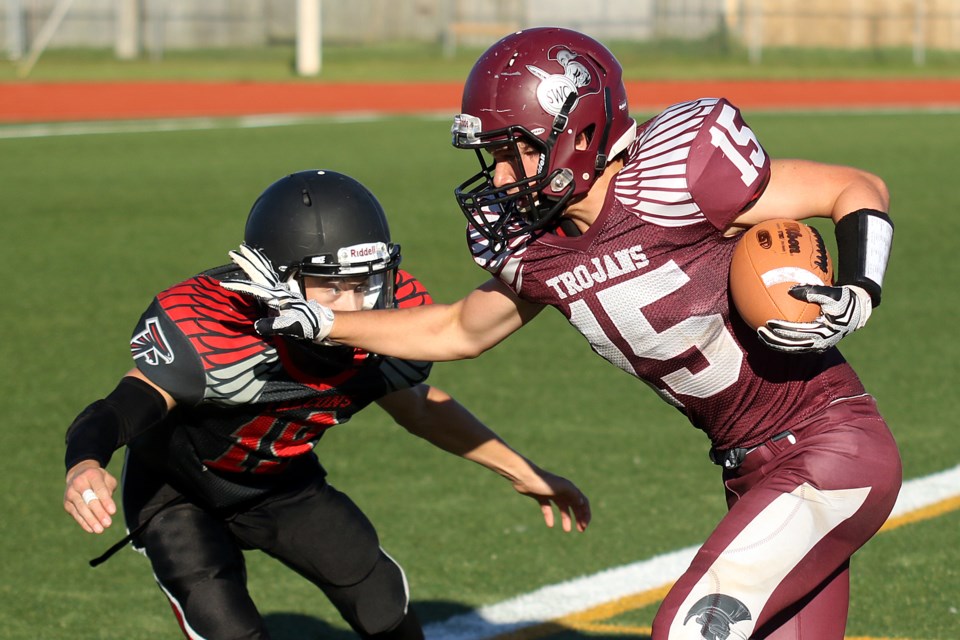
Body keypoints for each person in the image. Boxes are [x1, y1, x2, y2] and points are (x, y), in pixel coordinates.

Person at [224, 29, 902, 640]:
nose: (500, 175)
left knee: (692, 629)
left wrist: (860, 289)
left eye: (516, 151)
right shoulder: (542, 249)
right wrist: (325, 321)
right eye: (493, 155)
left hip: (829, 447)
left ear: (577, 133)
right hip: (753, 470)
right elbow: (459, 328)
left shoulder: (677, 178)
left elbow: (856, 188)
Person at [62, 169, 591, 640]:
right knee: (228, 629)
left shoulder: (385, 320)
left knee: (381, 599)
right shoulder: (214, 329)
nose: (357, 305)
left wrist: (520, 471)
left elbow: (421, 407)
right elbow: (122, 406)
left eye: (367, 283)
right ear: (275, 283)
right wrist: (86, 461)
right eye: (333, 288)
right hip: (176, 492)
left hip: (280, 483)